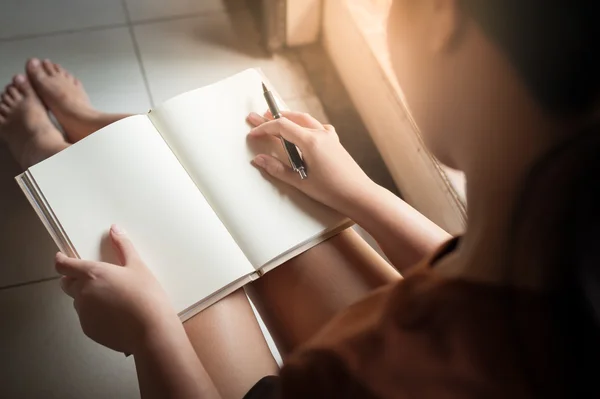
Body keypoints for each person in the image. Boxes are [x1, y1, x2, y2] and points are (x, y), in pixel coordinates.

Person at [1, 0, 599, 397]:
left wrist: (150, 333)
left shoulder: (367, 372)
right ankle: (99, 128)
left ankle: (49, 154)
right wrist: (359, 192)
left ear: (446, 17)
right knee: (243, 173)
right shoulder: (556, 256)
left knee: (170, 252)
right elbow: (466, 259)